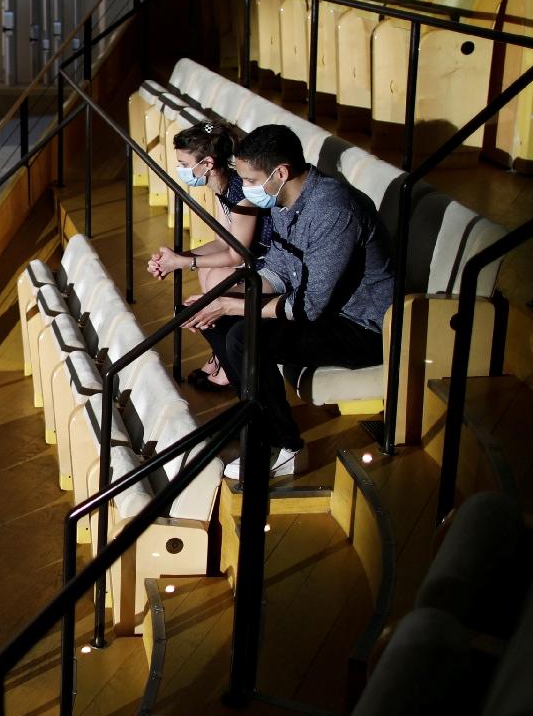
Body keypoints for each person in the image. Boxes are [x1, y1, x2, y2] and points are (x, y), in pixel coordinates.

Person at [183, 124, 396, 481]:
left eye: (251, 180)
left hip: (361, 326)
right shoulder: (287, 199)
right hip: (324, 312)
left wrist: (238, 306)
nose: (247, 190)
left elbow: (308, 306)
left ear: (280, 173)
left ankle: (287, 446)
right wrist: (227, 298)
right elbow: (281, 268)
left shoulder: (333, 209)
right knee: (217, 316)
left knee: (242, 335)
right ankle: (256, 419)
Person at [145, 122, 264, 391]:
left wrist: (183, 262)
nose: (181, 169)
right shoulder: (221, 187)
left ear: (207, 163)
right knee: (205, 271)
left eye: (184, 163)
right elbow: (222, 240)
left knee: (217, 275)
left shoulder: (242, 193)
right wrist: (176, 258)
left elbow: (236, 254)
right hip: (246, 259)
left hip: (267, 266)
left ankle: (230, 364)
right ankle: (221, 353)